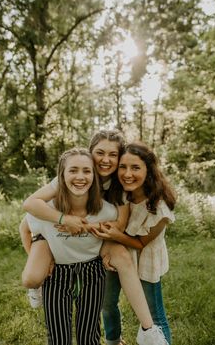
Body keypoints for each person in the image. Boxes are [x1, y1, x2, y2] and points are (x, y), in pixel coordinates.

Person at [22, 130, 169, 345]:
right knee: (34, 277)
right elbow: (28, 215)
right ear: (91, 153)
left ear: (120, 158)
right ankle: (39, 284)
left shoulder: (119, 186)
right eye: (100, 153)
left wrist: (81, 225)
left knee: (122, 258)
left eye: (113, 155)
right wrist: (64, 219)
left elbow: (116, 226)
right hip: (57, 231)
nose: (106, 160)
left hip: (98, 234)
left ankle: (148, 330)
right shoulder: (73, 173)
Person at [20, 148, 118, 345]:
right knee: (58, 337)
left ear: (95, 176)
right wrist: (40, 260)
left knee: (89, 334)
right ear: (61, 176)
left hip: (92, 272)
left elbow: (112, 236)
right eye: (73, 170)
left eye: (86, 171)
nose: (80, 177)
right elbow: (25, 228)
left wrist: (107, 252)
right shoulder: (47, 209)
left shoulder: (107, 211)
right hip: (57, 274)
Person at [92, 142, 176, 345]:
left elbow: (140, 244)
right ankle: (114, 341)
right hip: (117, 253)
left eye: (135, 167)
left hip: (145, 258)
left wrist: (115, 236)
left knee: (152, 313)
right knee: (107, 303)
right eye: (123, 167)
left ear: (149, 170)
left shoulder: (159, 208)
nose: (127, 174)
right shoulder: (117, 193)